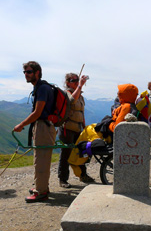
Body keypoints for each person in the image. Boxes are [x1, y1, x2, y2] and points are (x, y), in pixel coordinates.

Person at [13, 61, 56, 203]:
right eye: (25, 72)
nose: (26, 74)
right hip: (44, 127)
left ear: (37, 72)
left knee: (41, 161)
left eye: (29, 72)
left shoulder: (42, 88)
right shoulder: (41, 87)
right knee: (40, 159)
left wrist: (21, 124)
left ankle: (41, 192)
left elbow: (38, 112)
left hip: (43, 127)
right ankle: (42, 186)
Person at [58, 73, 93, 188]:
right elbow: (72, 101)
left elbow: (81, 113)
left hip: (77, 129)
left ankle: (83, 175)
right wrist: (80, 86)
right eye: (74, 81)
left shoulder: (80, 96)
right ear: (67, 83)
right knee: (66, 153)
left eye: (77, 80)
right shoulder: (66, 93)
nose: (77, 82)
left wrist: (84, 127)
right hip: (67, 129)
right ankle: (62, 179)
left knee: (80, 151)